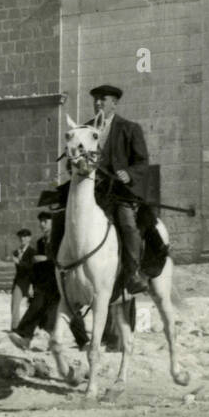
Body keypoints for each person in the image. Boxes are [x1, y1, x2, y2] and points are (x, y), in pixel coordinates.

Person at [58, 84, 151, 294]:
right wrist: (74, 164)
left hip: (118, 194)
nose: (98, 103)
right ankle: (59, 268)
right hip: (91, 193)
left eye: (103, 99)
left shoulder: (130, 128)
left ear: (114, 104)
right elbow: (71, 159)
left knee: (127, 224)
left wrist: (128, 174)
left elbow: (142, 162)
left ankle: (133, 273)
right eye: (96, 99)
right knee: (61, 218)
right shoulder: (84, 129)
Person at [8, 210, 90, 351]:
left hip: (63, 280)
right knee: (36, 305)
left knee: (70, 308)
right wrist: (34, 284)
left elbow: (66, 258)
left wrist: (47, 259)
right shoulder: (40, 242)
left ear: (53, 223)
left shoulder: (61, 238)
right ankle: (25, 338)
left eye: (46, 221)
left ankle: (84, 343)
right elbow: (38, 266)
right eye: (41, 221)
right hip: (46, 282)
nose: (42, 224)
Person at [10, 228, 34, 330]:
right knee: (14, 305)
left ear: (29, 238)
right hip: (19, 282)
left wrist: (19, 262)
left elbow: (32, 267)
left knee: (33, 307)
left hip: (30, 282)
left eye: (25, 237)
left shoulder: (33, 252)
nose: (22, 239)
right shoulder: (16, 252)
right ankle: (15, 327)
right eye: (21, 237)